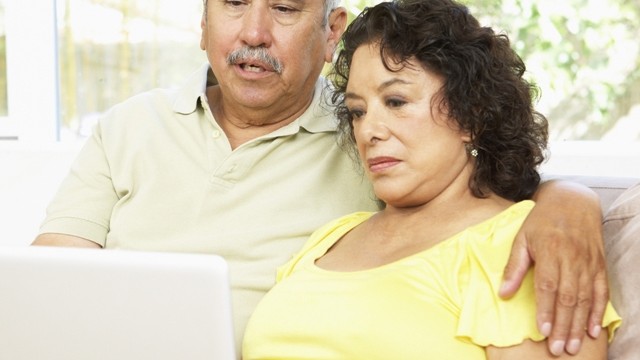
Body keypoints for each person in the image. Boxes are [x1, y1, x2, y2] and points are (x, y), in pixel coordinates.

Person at [34, 0, 608, 356]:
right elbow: (48, 291)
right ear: (202, 22)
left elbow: (491, 187)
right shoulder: (129, 126)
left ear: (331, 29)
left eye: (284, 8)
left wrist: (568, 201)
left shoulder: (491, 234)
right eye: (357, 111)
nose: (369, 131)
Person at [242, 1, 620, 358]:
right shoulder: (330, 238)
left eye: (396, 102)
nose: (369, 130)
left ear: (471, 114)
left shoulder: (528, 246)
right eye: (357, 111)